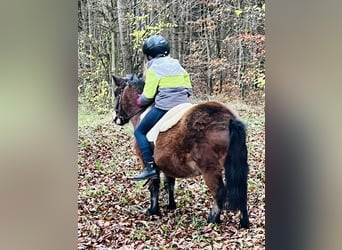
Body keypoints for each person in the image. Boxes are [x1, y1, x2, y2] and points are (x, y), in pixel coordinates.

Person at [133, 34, 192, 181]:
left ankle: (149, 167)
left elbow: (148, 95)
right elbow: (188, 89)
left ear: (149, 55)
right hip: (184, 105)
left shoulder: (154, 69)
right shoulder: (178, 65)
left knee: (139, 131)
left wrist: (139, 101)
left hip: (164, 107)